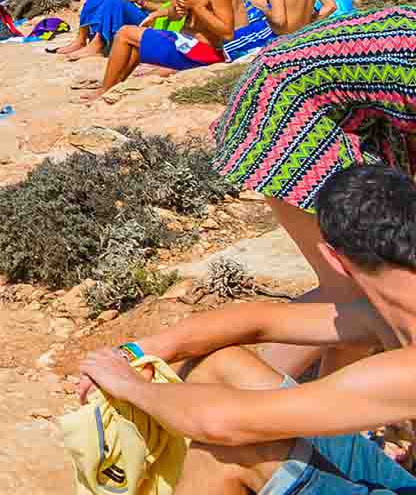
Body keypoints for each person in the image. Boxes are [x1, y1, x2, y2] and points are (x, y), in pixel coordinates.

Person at [75, 165, 416, 494]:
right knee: (219, 366)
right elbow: (258, 322)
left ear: (333, 260)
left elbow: (221, 424)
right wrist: (139, 352)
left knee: (233, 452)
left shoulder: (405, 371)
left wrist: (129, 385)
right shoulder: (383, 313)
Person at [211, 9, 416, 381]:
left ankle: (341, 413)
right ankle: (253, 393)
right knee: (356, 285)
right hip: (285, 104)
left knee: (366, 283)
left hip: (339, 111)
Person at [98, 0, 235, 98]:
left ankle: (104, 91)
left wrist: (196, 6)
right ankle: (113, 87)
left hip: (204, 52)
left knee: (124, 33)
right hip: (186, 44)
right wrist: (178, 11)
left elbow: (228, 32)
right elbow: (173, 14)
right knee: (136, 44)